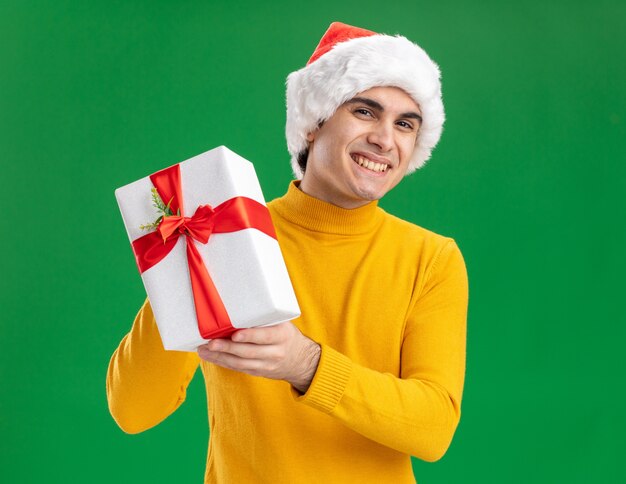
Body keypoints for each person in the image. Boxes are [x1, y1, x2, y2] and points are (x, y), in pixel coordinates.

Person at [107, 21, 468, 483]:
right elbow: (133, 408)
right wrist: (184, 259)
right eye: (364, 111)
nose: (385, 138)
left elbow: (433, 428)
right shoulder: (226, 231)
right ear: (313, 124)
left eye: (404, 124)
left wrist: (307, 365)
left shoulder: (431, 259)